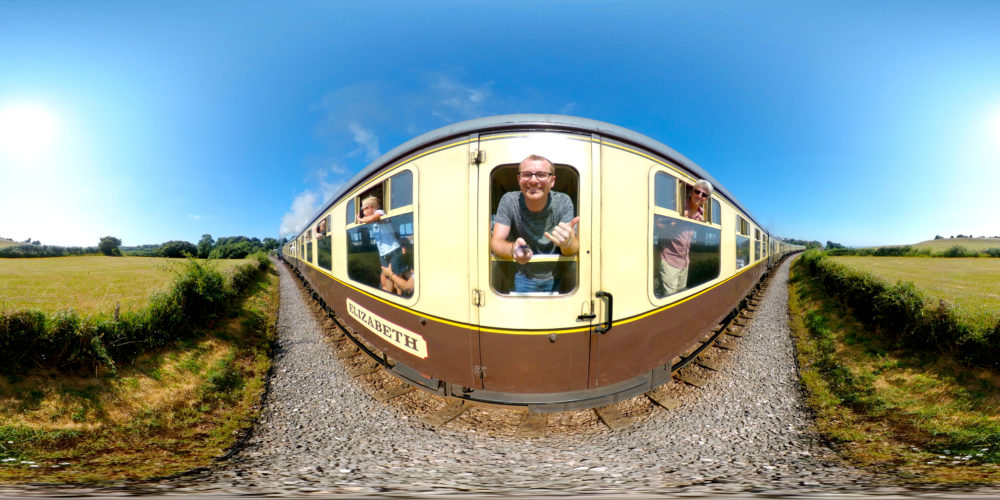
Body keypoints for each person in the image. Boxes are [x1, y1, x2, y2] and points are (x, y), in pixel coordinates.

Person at [490, 154, 579, 293]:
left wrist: (566, 243)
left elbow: (573, 248)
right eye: (527, 174)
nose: (533, 180)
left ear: (552, 181)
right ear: (519, 179)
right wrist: (513, 249)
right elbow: (496, 242)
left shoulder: (563, 202)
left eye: (541, 174)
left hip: (559, 277)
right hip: (522, 277)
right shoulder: (509, 201)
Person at [657, 179, 713, 297]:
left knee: (681, 295)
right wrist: (677, 221)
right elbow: (658, 226)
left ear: (707, 200)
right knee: (669, 299)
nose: (699, 196)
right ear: (692, 192)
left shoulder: (701, 214)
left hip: (684, 262)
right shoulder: (677, 206)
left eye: (704, 195)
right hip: (669, 260)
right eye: (697, 192)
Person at [356, 196, 402, 293]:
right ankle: (390, 295)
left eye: (362, 209)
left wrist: (360, 219)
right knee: (388, 276)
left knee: (396, 275)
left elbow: (372, 218)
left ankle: (400, 295)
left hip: (393, 249)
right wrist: (363, 219)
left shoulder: (380, 212)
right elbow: (369, 219)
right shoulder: (371, 219)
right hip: (383, 253)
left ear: (370, 208)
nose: (362, 212)